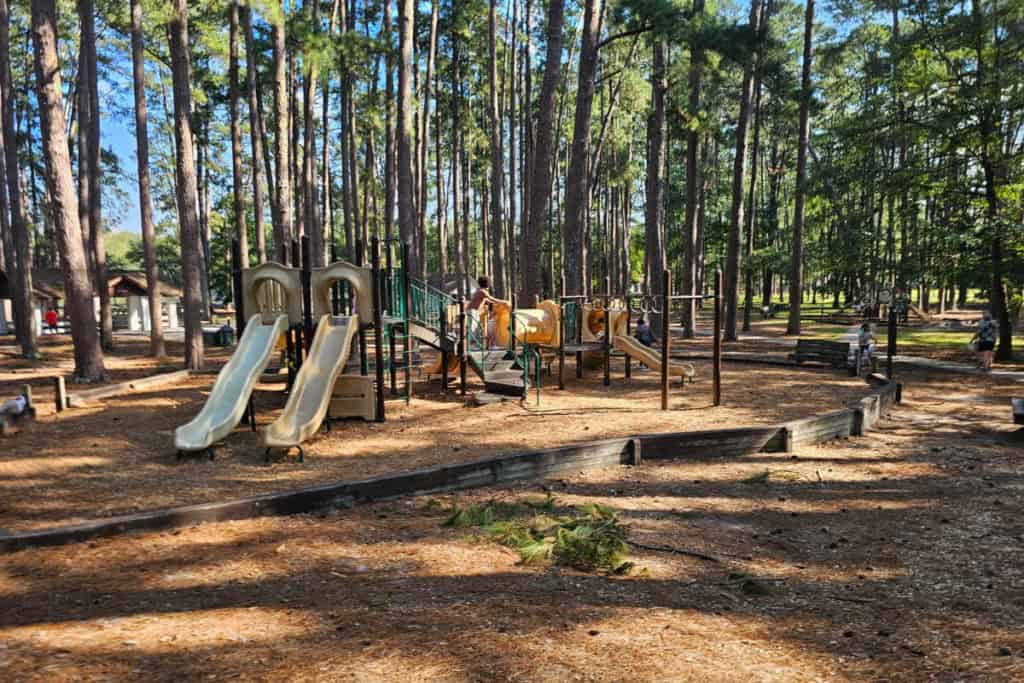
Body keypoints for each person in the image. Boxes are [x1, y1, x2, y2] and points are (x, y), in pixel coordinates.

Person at [466, 276, 501, 347]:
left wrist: (498, 303)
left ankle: (476, 345)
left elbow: (488, 300)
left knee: (477, 328)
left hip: (474, 311)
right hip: (473, 310)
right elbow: (491, 298)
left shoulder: (480, 291)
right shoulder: (482, 291)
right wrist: (504, 302)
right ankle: (470, 346)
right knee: (473, 328)